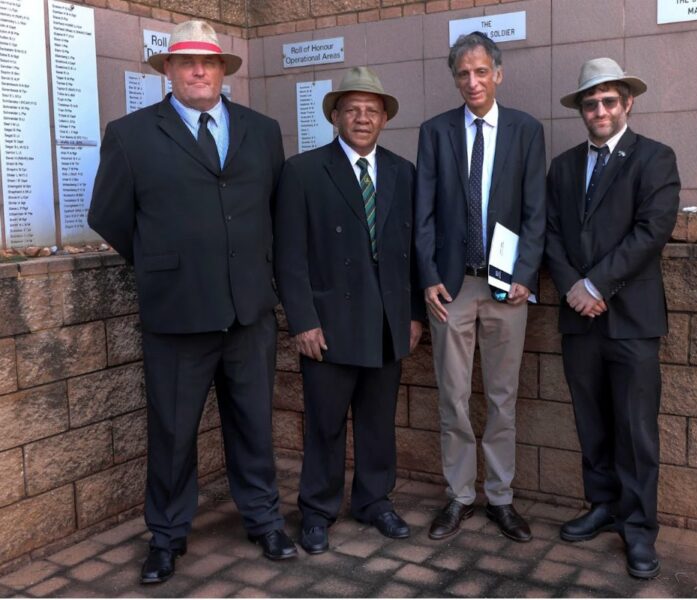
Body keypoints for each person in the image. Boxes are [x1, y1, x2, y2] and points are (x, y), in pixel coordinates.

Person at [88, 20, 296, 584]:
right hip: (177, 312)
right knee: (174, 432)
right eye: (186, 63)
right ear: (169, 72)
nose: (199, 70)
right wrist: (162, 263)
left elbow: (276, 213)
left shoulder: (263, 130)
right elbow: (107, 215)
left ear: (224, 70)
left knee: (254, 423)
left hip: (249, 310)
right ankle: (168, 534)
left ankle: (263, 517)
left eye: (209, 62)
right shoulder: (131, 135)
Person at [274, 67, 425, 555]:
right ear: (335, 116)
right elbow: (288, 255)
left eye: (372, 110)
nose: (362, 118)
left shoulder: (404, 172)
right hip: (328, 324)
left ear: (384, 119)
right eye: (352, 109)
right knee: (325, 422)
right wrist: (302, 320)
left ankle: (374, 501)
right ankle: (317, 510)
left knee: (379, 421)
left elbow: (413, 250)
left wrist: (414, 313)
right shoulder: (302, 171)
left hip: (386, 321)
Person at [546, 57, 680, 579]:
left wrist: (597, 285)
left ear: (627, 103)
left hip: (631, 320)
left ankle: (640, 528)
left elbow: (653, 230)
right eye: (589, 102)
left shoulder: (654, 158)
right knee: (593, 421)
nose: (598, 110)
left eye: (607, 101)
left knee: (637, 430)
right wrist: (573, 289)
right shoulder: (562, 167)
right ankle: (602, 505)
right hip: (580, 320)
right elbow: (552, 234)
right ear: (581, 109)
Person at [415, 32, 546, 542]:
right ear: (455, 79)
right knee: (452, 396)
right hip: (451, 288)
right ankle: (459, 496)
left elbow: (536, 211)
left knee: (502, 397)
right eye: (462, 74)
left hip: (506, 288)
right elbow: (421, 213)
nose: (472, 81)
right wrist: (428, 276)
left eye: (480, 71)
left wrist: (525, 276)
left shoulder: (526, 130)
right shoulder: (436, 131)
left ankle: (502, 498)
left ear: (498, 73)